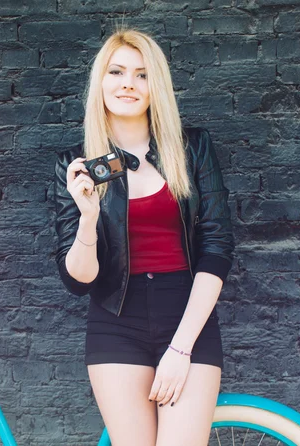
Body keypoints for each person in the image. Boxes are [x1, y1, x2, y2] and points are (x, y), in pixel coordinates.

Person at [53, 28, 235, 445]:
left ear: (157, 86)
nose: (128, 84)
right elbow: (77, 281)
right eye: (116, 72)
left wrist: (181, 348)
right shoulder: (76, 164)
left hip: (187, 317)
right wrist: (87, 216)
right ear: (101, 82)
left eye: (141, 74)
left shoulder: (192, 148)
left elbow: (217, 247)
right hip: (116, 323)